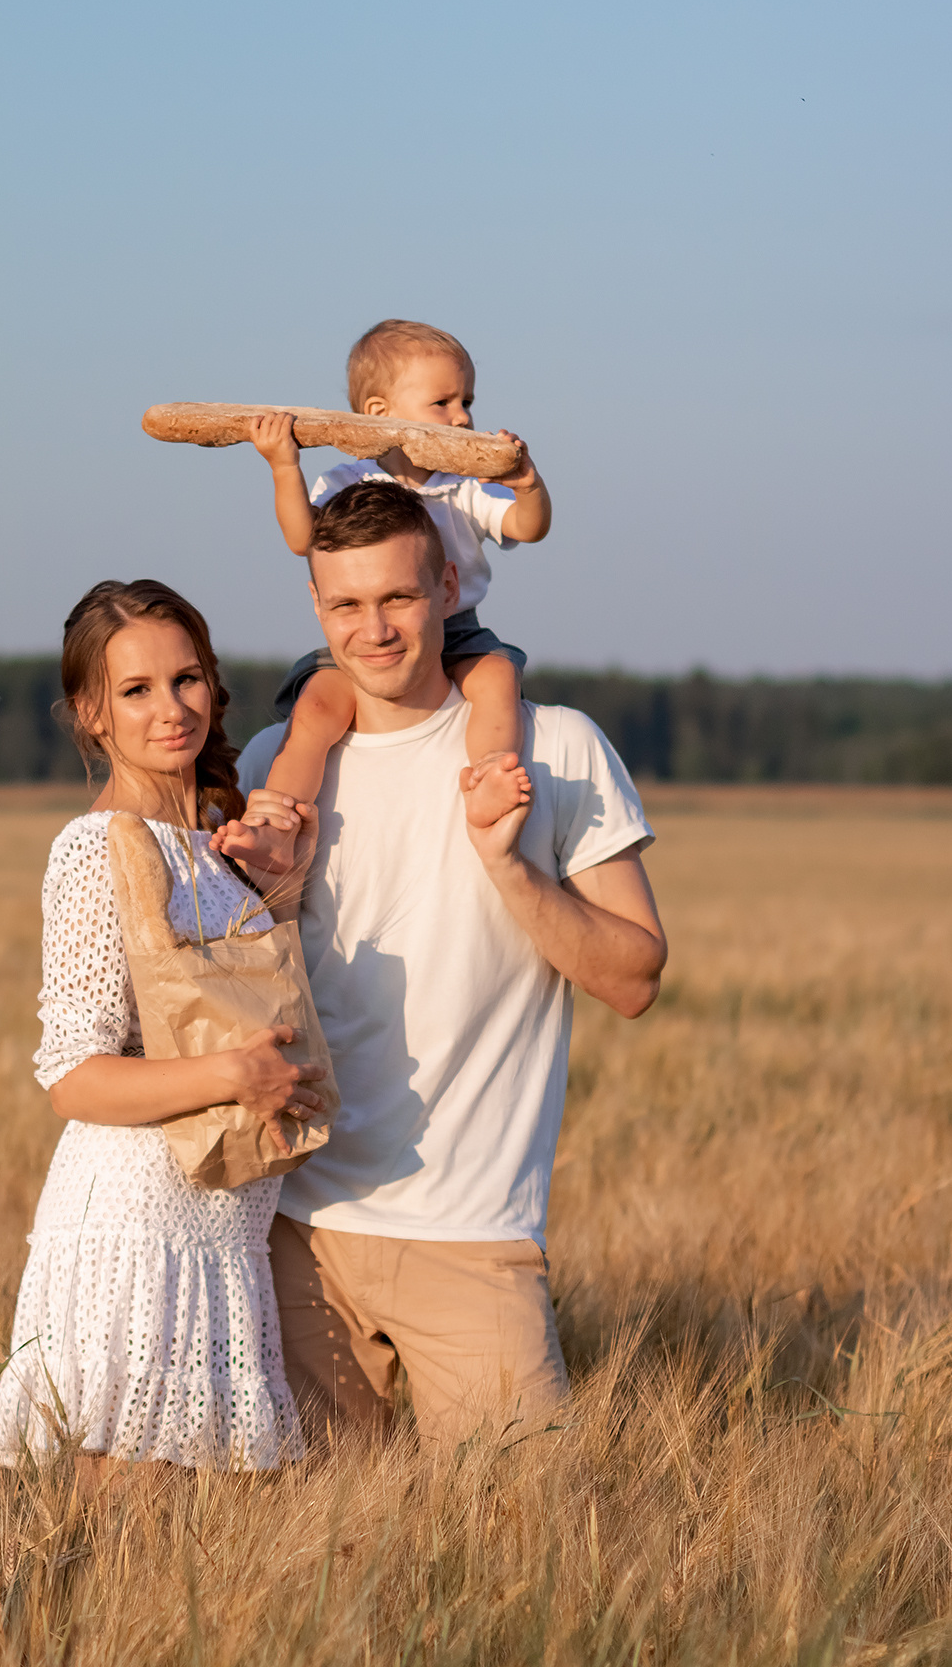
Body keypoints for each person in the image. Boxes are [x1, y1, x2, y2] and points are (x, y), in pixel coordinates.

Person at [212, 484, 667, 1447]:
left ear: (449, 586)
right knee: (308, 1554)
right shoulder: (271, 768)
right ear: (316, 609)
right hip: (295, 1230)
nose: (373, 630)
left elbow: (634, 978)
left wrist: (509, 866)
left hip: (472, 1235)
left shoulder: (559, 749)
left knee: (521, 1553)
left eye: (398, 600)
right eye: (345, 605)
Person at [0, 579, 327, 1474]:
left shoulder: (210, 838)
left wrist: (282, 885)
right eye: (135, 691)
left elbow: (226, 1004)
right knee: (117, 1556)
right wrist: (232, 1080)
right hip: (139, 1245)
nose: (171, 709)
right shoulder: (98, 848)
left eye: (187, 679)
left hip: (218, 1239)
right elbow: (73, 1076)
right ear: (92, 713)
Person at [248, 319, 552, 858]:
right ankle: (276, 818)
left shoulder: (464, 486)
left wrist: (526, 484)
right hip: (369, 634)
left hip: (458, 632)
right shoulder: (347, 481)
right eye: (442, 402)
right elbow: (302, 539)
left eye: (467, 401)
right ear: (379, 415)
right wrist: (282, 466)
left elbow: (529, 528)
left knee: (497, 679)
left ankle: (487, 782)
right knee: (317, 707)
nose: (462, 417)